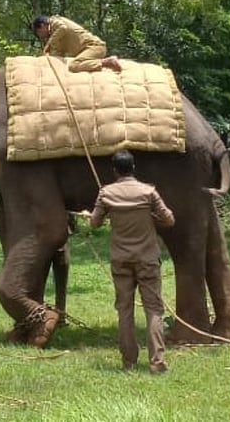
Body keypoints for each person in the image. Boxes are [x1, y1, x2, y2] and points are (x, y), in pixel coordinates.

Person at [79, 150, 174, 374]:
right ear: (133, 168)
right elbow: (169, 220)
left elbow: (94, 223)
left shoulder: (106, 193)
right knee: (154, 310)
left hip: (121, 260)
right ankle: (157, 363)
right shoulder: (149, 192)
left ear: (114, 170)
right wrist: (152, 214)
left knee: (124, 310)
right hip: (148, 259)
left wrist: (87, 215)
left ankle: (129, 362)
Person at [31, 14, 122, 73]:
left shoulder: (54, 21)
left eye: (39, 32)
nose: (41, 36)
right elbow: (59, 54)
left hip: (94, 46)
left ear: (42, 25)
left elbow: (63, 28)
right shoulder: (57, 38)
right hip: (86, 51)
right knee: (72, 67)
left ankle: (107, 62)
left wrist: (49, 44)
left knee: (74, 66)